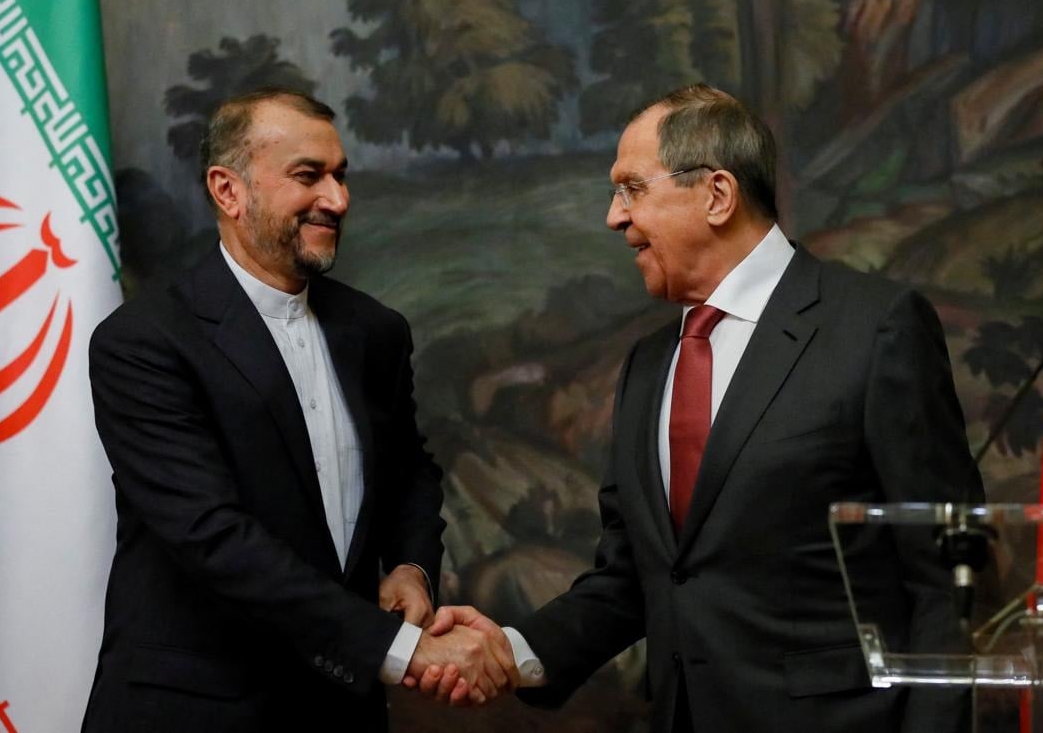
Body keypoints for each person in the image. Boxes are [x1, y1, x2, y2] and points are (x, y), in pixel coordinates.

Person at [418, 84, 984, 733]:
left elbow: (947, 579)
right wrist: (512, 652)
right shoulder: (647, 365)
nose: (613, 216)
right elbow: (638, 577)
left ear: (716, 195)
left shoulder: (874, 328)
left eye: (631, 189)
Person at [81, 88, 514, 732]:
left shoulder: (376, 330)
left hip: (340, 712)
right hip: (197, 712)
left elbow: (407, 472)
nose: (337, 200)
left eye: (341, 176)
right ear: (228, 191)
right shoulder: (143, 342)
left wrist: (411, 566)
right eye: (309, 176)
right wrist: (401, 649)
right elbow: (211, 536)